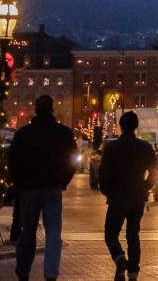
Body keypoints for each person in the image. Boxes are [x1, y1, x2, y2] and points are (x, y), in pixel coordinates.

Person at [8, 95, 77, 281]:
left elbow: (13, 161)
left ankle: (23, 271)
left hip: (29, 188)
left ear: (36, 110)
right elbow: (72, 160)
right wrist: (63, 181)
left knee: (28, 231)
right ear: (52, 109)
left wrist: (18, 183)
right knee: (53, 232)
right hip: (53, 187)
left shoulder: (23, 134)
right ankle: (51, 273)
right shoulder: (64, 133)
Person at [100, 111, 158, 281]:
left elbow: (104, 175)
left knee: (111, 234)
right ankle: (133, 272)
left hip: (118, 196)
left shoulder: (112, 148)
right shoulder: (146, 147)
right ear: (136, 126)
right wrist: (145, 187)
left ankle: (119, 259)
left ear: (121, 126)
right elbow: (155, 171)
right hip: (138, 196)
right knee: (133, 235)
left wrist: (108, 191)